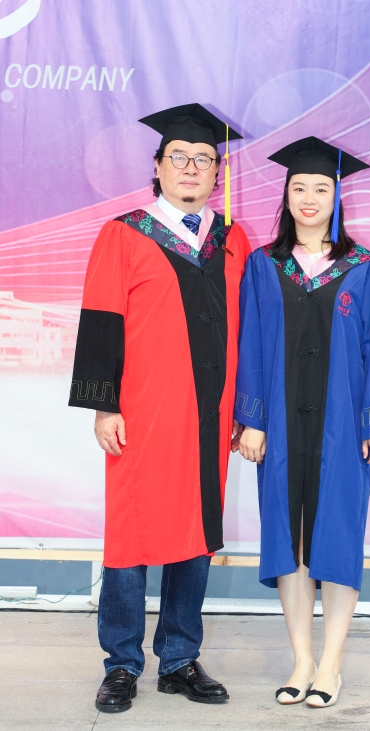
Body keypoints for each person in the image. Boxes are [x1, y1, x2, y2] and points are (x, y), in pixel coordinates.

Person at [69, 103, 250, 712]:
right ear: (158, 165)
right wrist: (104, 406)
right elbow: (101, 319)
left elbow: (248, 328)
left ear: (217, 173)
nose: (192, 167)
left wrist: (245, 407)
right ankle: (122, 663)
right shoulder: (124, 233)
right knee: (132, 532)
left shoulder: (232, 240)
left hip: (210, 413)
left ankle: (178, 659)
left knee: (195, 530)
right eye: (180, 157)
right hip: (143, 411)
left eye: (204, 159)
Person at [236, 136, 370, 708]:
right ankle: (301, 660)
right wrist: (252, 419)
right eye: (299, 188)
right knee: (289, 540)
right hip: (281, 426)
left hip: (343, 426)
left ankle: (331, 664)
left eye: (321, 189)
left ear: (337, 197)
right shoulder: (264, 266)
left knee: (336, 535)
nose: (309, 198)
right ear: (285, 196)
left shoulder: (367, 269)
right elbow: (251, 347)